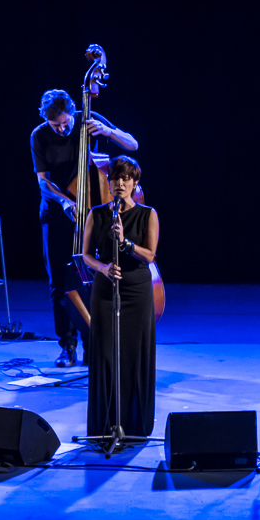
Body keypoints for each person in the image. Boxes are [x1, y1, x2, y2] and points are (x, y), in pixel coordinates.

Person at [30, 89, 138, 367]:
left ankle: (95, 341)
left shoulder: (87, 120)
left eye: (66, 122)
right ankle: (67, 345)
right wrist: (66, 203)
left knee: (97, 278)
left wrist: (108, 131)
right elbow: (44, 182)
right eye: (57, 125)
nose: (63, 128)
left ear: (72, 113)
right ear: (46, 120)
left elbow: (132, 145)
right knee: (59, 282)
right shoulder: (39, 136)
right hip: (57, 212)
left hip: (93, 213)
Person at [82, 156, 158, 437]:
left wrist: (125, 243)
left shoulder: (148, 214)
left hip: (137, 291)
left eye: (126, 179)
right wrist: (102, 267)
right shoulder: (97, 214)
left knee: (133, 354)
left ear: (135, 183)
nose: (120, 183)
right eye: (115, 178)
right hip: (105, 290)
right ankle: (105, 425)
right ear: (108, 181)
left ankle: (134, 425)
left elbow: (149, 255)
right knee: (104, 354)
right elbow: (85, 254)